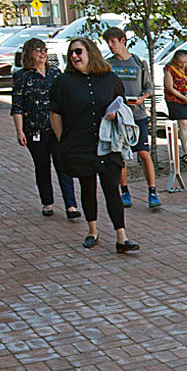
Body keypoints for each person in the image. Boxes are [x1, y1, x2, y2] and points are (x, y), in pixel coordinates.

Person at [49, 36, 140, 254]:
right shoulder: (63, 82)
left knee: (112, 189)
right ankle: (92, 231)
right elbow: (55, 113)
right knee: (87, 188)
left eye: (79, 51)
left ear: (90, 53)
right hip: (80, 144)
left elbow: (123, 105)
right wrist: (64, 140)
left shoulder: (109, 78)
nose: (74, 56)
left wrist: (115, 113)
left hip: (107, 144)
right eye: (71, 52)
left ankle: (121, 237)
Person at [11, 38, 80, 218]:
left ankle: (71, 205)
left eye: (44, 50)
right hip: (34, 129)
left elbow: (65, 101)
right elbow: (17, 106)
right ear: (29, 53)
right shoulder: (22, 77)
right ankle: (47, 202)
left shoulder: (55, 73)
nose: (42, 53)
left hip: (57, 129)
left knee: (63, 165)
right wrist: (19, 131)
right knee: (42, 166)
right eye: (38, 50)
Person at [103, 27, 160, 210]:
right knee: (120, 155)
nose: (111, 46)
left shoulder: (138, 62)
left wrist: (142, 98)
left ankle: (152, 191)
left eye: (114, 41)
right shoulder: (108, 65)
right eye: (108, 42)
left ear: (123, 41)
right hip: (119, 117)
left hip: (138, 115)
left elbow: (149, 87)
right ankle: (125, 191)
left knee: (143, 153)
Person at [163, 49, 187, 164]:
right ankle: (185, 152)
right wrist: (183, 98)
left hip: (186, 97)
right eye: (180, 62)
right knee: (183, 123)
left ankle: (180, 143)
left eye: (184, 62)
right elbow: (169, 87)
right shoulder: (169, 69)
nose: (182, 65)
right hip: (175, 98)